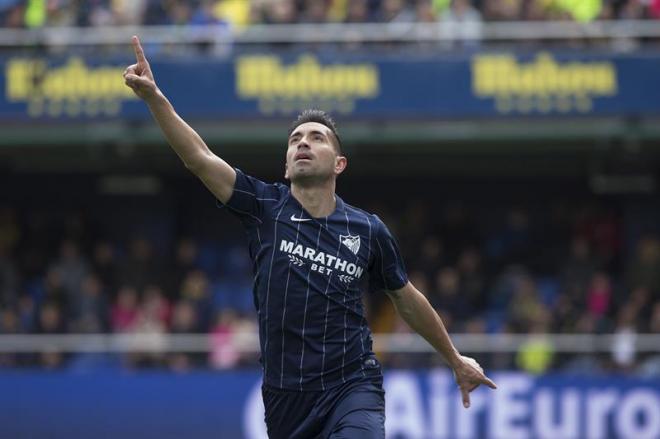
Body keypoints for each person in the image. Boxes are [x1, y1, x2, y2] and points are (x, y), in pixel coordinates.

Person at [123, 35, 496, 439]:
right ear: (286, 165)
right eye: (295, 140)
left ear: (339, 163)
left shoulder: (367, 229)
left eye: (317, 137)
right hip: (286, 397)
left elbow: (407, 302)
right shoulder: (265, 207)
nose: (303, 142)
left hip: (352, 385)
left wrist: (454, 358)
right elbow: (199, 158)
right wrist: (155, 98)